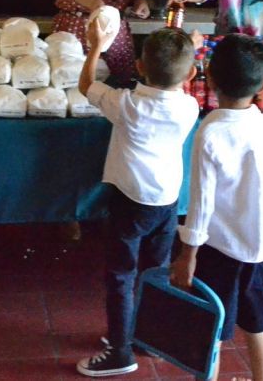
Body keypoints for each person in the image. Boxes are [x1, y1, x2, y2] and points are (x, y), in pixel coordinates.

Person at [75, 24, 199, 377]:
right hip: (167, 201)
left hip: (130, 201)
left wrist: (96, 46)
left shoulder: (127, 104)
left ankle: (120, 351)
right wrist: (188, 52)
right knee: (154, 272)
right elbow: (175, 78)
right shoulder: (189, 106)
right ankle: (147, 338)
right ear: (191, 74)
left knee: (120, 275)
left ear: (139, 67)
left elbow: (86, 85)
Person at [170, 34, 263, 381]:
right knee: (257, 325)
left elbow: (201, 204)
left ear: (208, 78)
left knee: (213, 329)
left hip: (220, 251)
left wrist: (187, 256)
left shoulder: (210, 131)